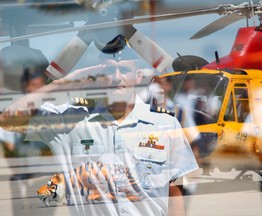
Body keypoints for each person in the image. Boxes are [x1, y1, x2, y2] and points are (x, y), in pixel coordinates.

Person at [0, 48, 199, 216]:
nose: (116, 77)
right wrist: (64, 82)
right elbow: (7, 120)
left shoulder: (164, 123)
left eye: (124, 69)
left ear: (138, 77)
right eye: (109, 70)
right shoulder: (71, 123)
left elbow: (173, 190)